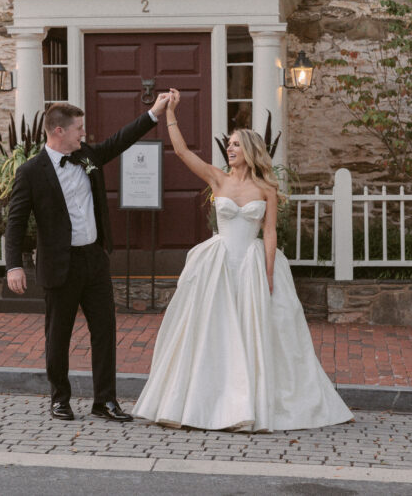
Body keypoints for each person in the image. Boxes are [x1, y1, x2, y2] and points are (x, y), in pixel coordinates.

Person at [132, 88, 353, 431]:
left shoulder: (266, 190)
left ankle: (256, 399)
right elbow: (180, 151)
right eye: (229, 144)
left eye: (236, 144)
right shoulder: (216, 178)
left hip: (251, 264)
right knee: (212, 330)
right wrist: (171, 112)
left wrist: (267, 273)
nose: (230, 149)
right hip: (217, 264)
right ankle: (206, 402)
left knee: (257, 332)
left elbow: (269, 233)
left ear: (250, 151)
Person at [5, 95, 170, 423]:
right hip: (59, 265)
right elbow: (16, 221)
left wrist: (154, 113)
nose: (84, 133)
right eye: (78, 129)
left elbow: (120, 139)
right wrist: (13, 265)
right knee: (58, 334)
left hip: (94, 260)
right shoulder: (30, 172)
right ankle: (60, 398)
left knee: (105, 331)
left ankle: (105, 401)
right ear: (58, 131)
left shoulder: (87, 156)